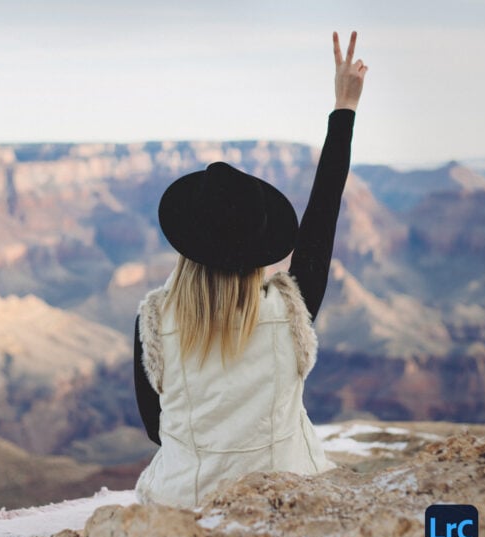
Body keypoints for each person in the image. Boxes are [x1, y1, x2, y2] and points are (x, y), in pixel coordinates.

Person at [134, 31, 368, 508]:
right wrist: (344, 107)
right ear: (260, 246)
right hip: (286, 499)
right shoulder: (292, 306)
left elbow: (156, 427)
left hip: (184, 503)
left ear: (187, 245)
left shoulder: (154, 322)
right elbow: (323, 214)